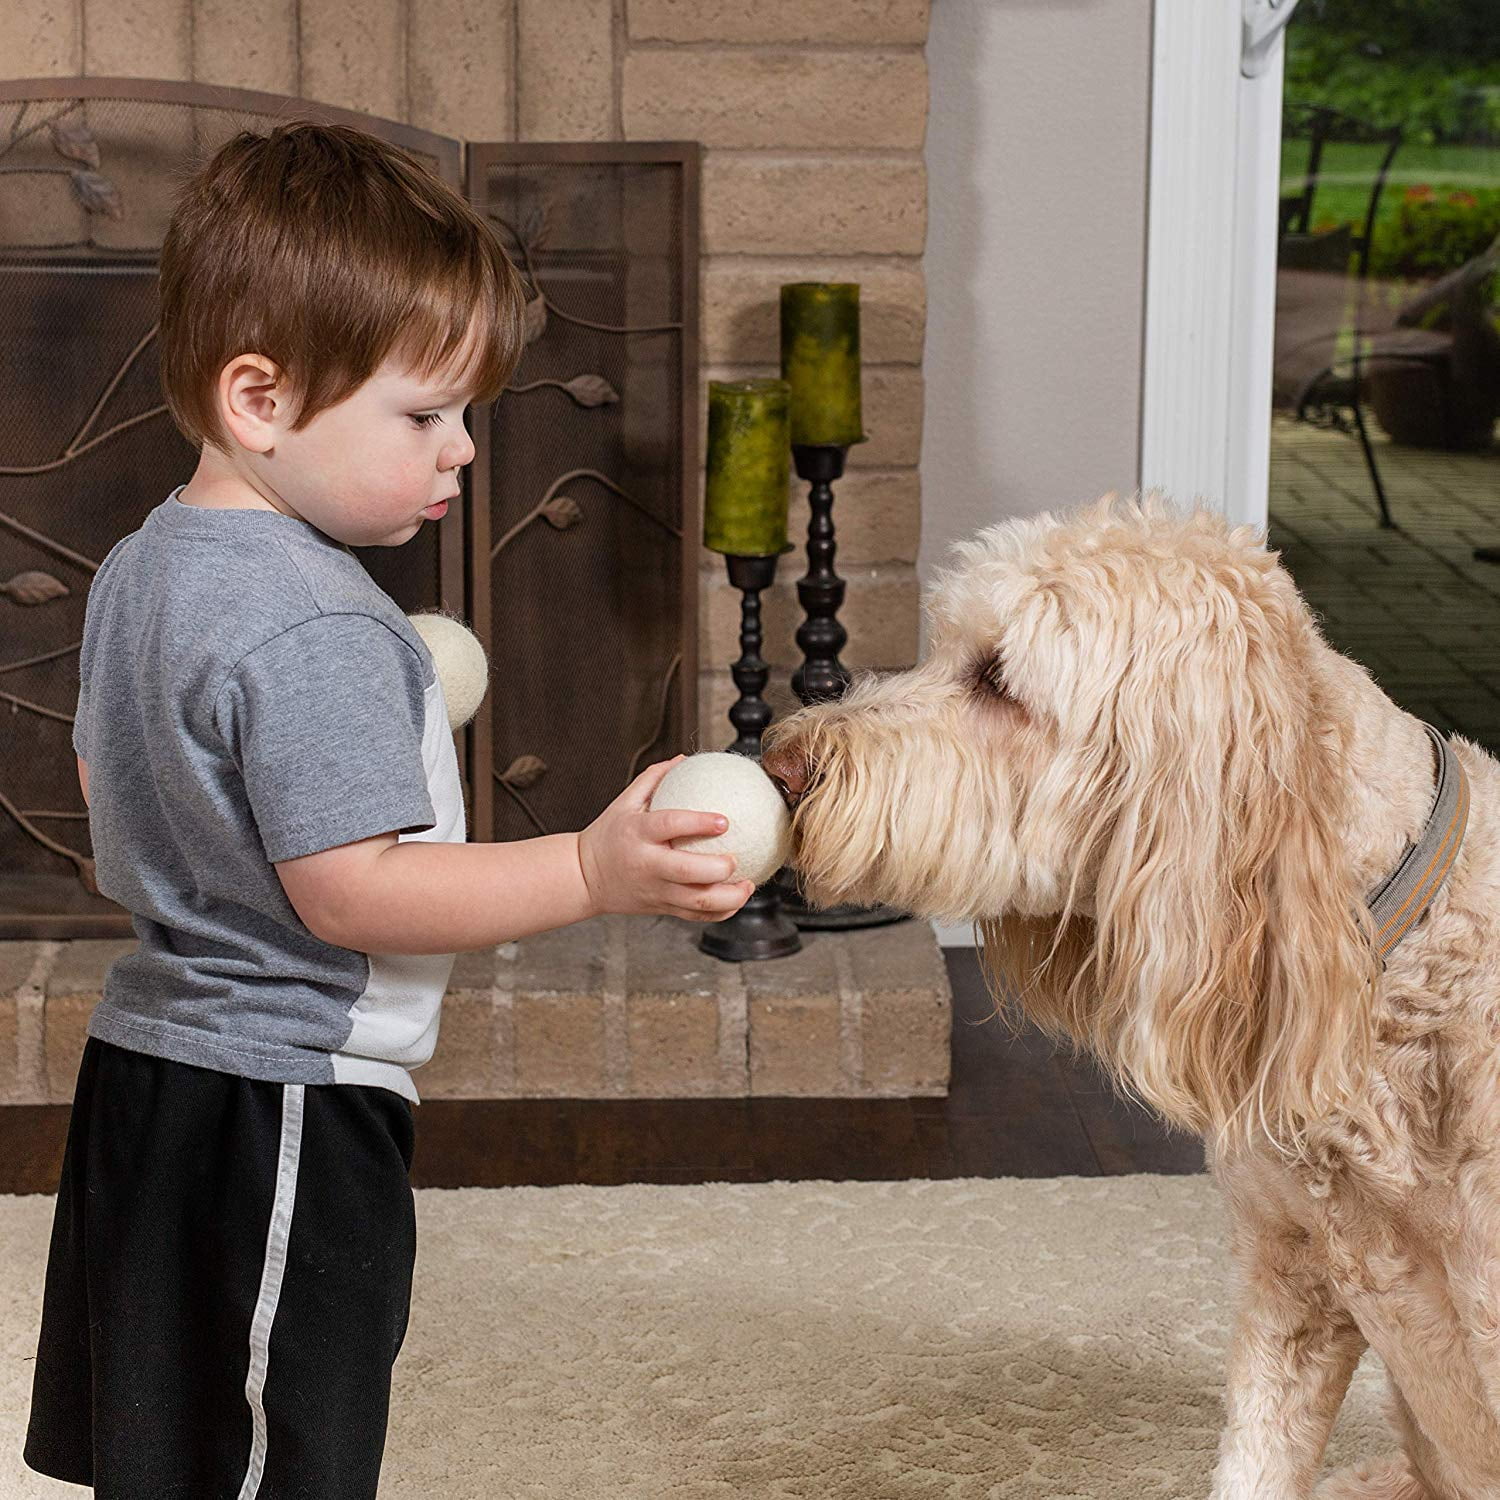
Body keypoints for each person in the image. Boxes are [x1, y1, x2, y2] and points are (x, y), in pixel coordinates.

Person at [23, 119, 755, 1499]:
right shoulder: (319, 624)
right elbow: (352, 891)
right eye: (423, 416)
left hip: (145, 1072)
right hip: (286, 1098)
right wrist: (593, 868)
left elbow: (99, 780)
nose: (463, 451)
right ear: (262, 400)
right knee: (281, 1450)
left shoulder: (139, 568)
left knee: (169, 1447)